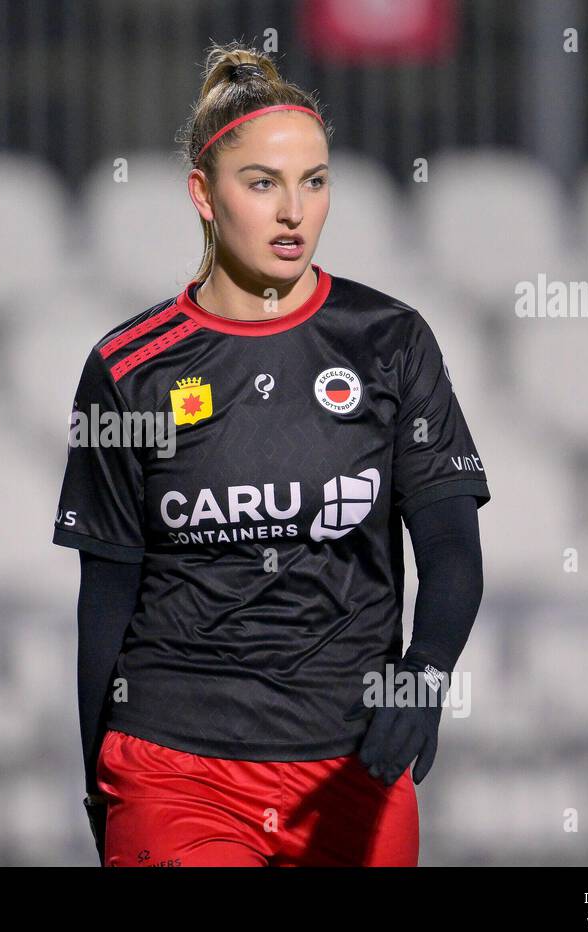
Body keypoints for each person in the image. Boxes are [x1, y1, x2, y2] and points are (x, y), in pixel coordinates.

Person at [54, 43, 489, 866]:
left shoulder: (389, 344)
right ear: (204, 195)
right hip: (175, 768)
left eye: (314, 181)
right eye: (263, 183)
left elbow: (452, 552)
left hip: (353, 766)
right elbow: (104, 599)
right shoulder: (129, 369)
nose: (294, 210)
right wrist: (97, 790)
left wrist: (424, 676)